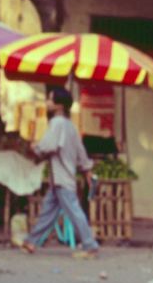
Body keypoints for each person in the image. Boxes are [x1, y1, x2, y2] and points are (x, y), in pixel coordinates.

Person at [20, 89, 99, 259]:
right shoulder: (71, 126)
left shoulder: (57, 123)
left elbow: (48, 146)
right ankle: (31, 241)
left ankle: (90, 245)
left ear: (59, 106)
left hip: (62, 178)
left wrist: (35, 147)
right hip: (61, 178)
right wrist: (87, 169)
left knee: (74, 212)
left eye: (50, 100)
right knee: (47, 212)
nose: (47, 103)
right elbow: (81, 152)